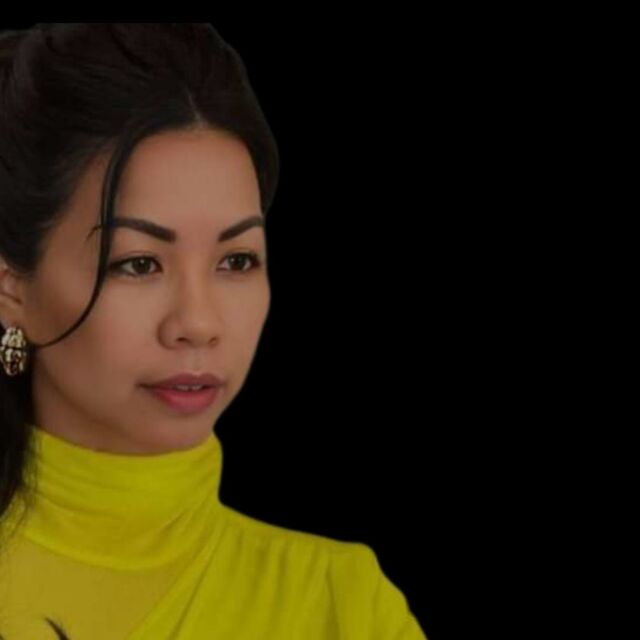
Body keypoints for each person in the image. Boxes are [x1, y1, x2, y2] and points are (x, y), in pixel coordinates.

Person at [0, 23, 426, 638]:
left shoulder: (340, 606)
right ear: (11, 288)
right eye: (139, 264)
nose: (198, 323)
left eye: (237, 261)